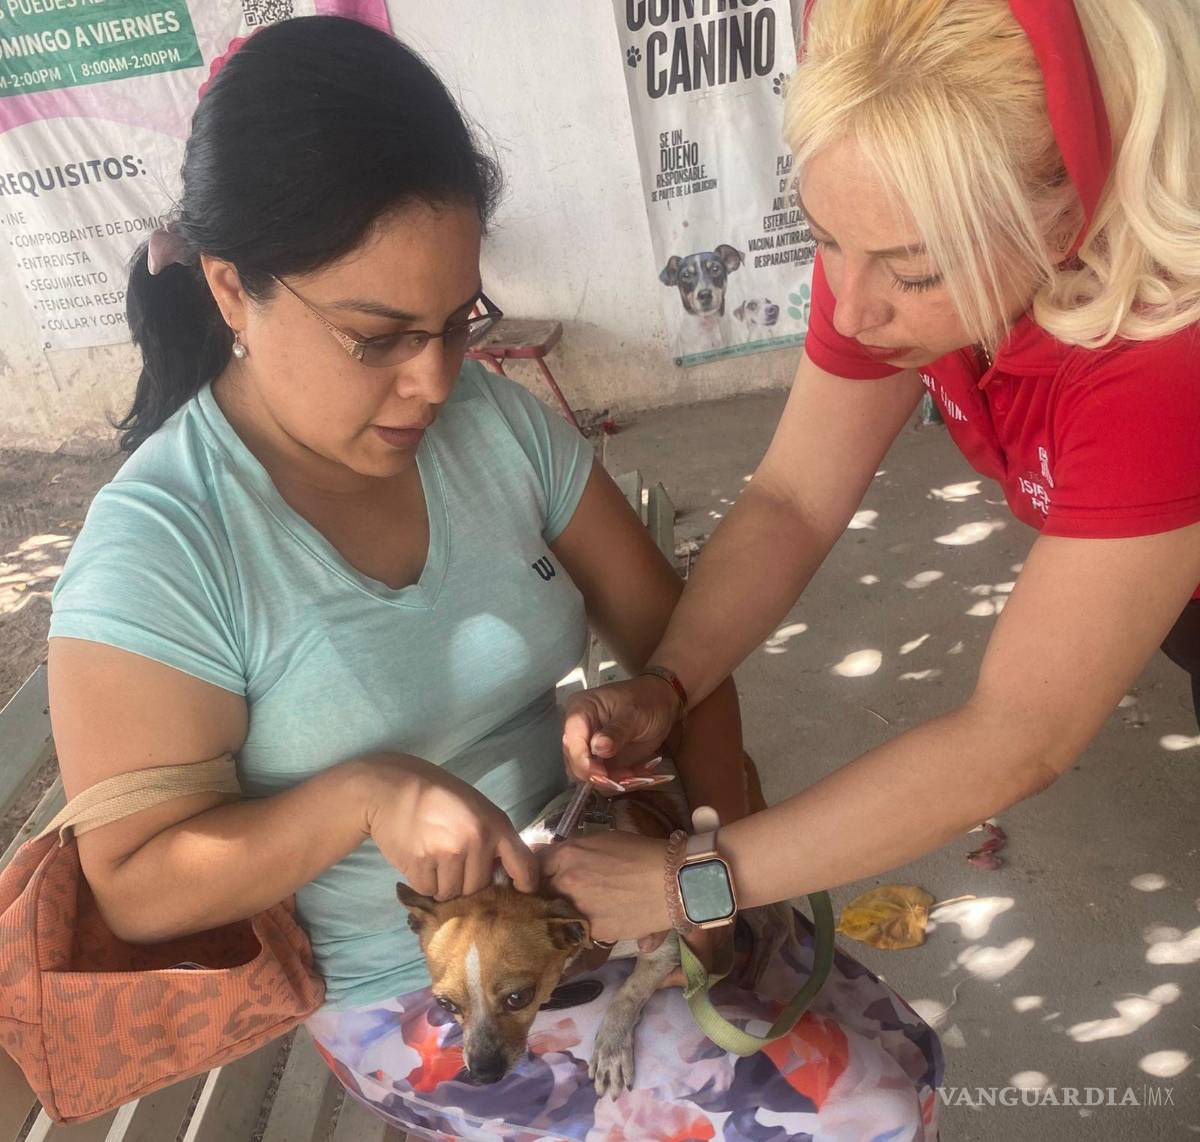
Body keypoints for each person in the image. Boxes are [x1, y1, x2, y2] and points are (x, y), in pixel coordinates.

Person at [46, 17, 940, 1141]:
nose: (433, 382)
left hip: (616, 885)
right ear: (230, 290)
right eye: (376, 338)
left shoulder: (494, 427)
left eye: (456, 321)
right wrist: (368, 793)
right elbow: (130, 880)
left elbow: (681, 644)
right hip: (425, 989)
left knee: (900, 1060)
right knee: (857, 1112)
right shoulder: (165, 548)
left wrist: (715, 858)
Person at [545, 0, 1200, 953]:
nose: (851, 312)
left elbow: (1019, 733)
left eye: (916, 273)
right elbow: (793, 499)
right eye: (824, 238)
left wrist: (689, 885)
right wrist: (671, 682)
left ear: (1068, 209)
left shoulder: (1164, 359)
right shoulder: (890, 233)